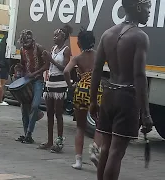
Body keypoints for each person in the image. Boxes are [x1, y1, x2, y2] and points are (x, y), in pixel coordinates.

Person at [89, 0, 153, 179]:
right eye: (148, 8)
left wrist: (93, 100)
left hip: (108, 95)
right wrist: (145, 113)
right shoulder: (140, 36)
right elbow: (139, 75)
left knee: (106, 149)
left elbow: (97, 69)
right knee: (116, 152)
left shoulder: (107, 34)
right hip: (127, 98)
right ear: (138, 7)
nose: (149, 12)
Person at [64, 28, 102, 170]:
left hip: (81, 90)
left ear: (79, 43)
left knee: (80, 127)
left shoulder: (77, 58)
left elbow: (66, 71)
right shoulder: (99, 56)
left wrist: (71, 86)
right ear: (93, 42)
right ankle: (95, 149)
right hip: (96, 90)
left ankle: (78, 161)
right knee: (100, 125)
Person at [38, 25, 72, 153]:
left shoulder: (66, 50)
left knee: (58, 113)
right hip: (50, 82)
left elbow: (65, 68)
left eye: (57, 35)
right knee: (50, 113)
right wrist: (44, 60)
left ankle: (59, 141)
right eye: (54, 35)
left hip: (60, 84)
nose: (54, 37)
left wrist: (51, 59)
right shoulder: (53, 48)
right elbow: (48, 65)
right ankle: (50, 141)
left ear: (63, 37)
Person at [15, 30, 49, 144]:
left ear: (31, 41)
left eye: (26, 43)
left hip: (38, 80)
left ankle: (29, 132)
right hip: (26, 80)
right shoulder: (22, 50)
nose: (24, 46)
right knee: (24, 108)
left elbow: (46, 65)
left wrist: (34, 74)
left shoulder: (39, 48)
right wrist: (19, 70)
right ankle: (27, 135)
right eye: (23, 43)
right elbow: (23, 64)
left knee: (35, 105)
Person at [0, 32, 9, 106]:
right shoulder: (7, 40)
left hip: (0, 64)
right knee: (2, 84)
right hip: (3, 65)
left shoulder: (2, 43)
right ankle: (0, 100)